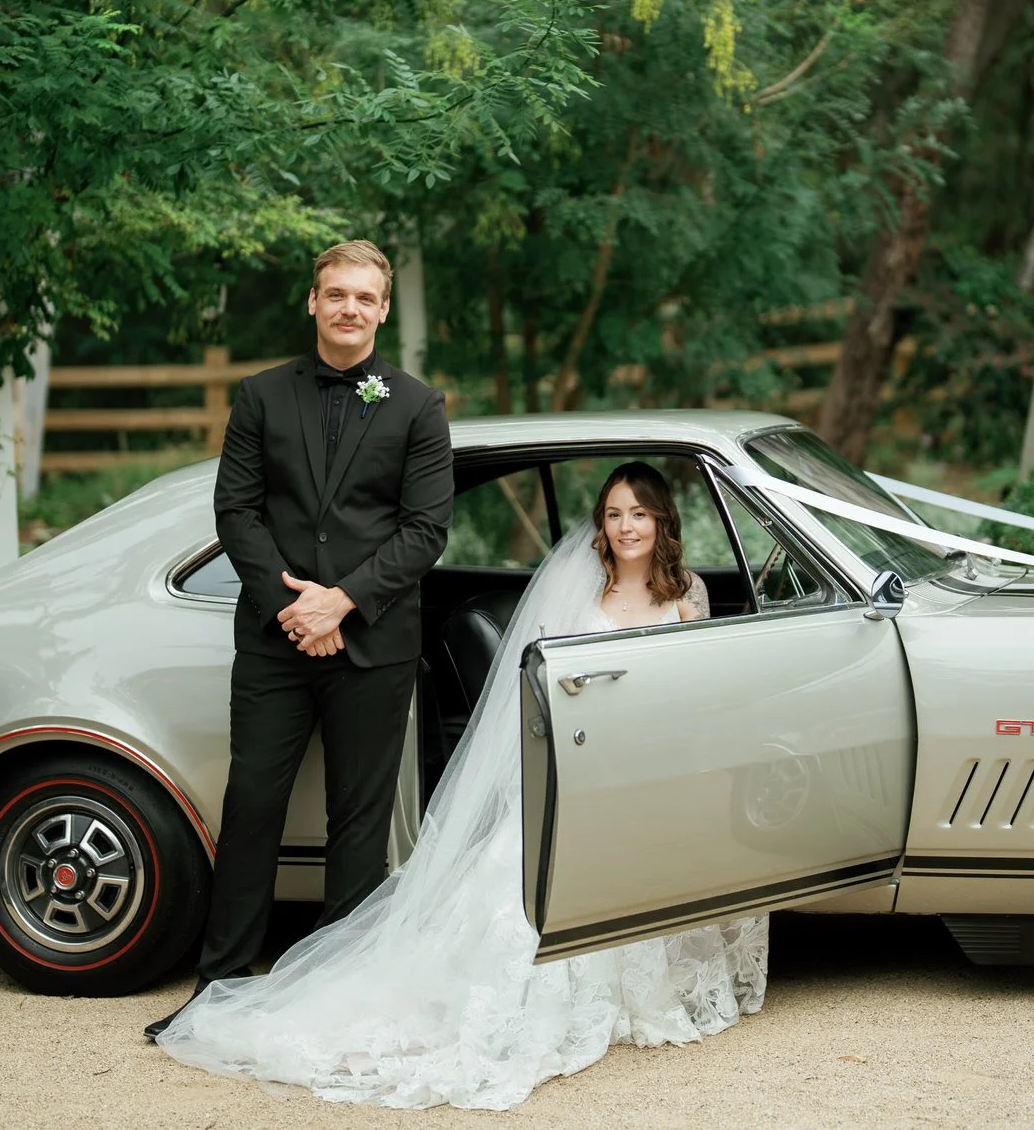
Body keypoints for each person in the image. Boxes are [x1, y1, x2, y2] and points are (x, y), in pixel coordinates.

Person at [154, 461, 767, 1110]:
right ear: (601, 524)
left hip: (653, 774)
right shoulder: (580, 595)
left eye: (638, 513)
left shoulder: (687, 593)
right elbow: (542, 700)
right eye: (614, 513)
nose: (625, 526)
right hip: (583, 778)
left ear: (662, 520)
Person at [144, 240, 453, 1040]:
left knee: (359, 820)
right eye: (336, 293)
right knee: (251, 804)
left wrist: (341, 602)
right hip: (275, 640)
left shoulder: (418, 407)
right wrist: (294, 609)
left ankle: (339, 989)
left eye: (364, 297)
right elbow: (236, 512)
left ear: (382, 311)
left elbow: (426, 531)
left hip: (375, 642)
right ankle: (220, 984)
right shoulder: (258, 397)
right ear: (311, 302)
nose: (350, 307)